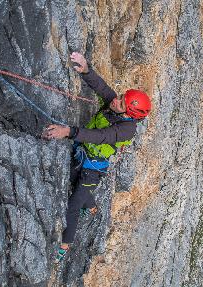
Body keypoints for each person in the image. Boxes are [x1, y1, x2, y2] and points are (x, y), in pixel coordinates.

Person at [42, 52, 152, 263]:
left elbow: (102, 137)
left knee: (73, 204)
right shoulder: (116, 107)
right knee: (74, 183)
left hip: (94, 169)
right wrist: (86, 69)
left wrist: (68, 131)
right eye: (121, 97)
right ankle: (91, 207)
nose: (116, 100)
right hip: (83, 153)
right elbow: (102, 88)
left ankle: (64, 246)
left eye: (121, 102)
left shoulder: (126, 129)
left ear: (129, 113)